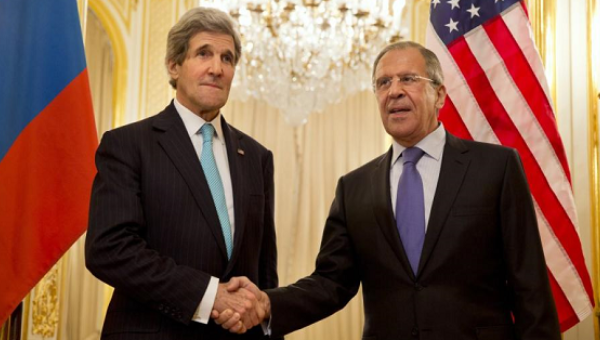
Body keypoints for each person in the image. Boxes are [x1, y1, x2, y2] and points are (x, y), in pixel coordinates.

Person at [214, 41, 560, 339]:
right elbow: (330, 283)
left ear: (439, 94)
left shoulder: (495, 168)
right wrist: (267, 303)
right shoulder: (354, 188)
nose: (394, 90)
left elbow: (530, 287)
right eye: (383, 82)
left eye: (408, 79)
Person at [85, 7, 278, 339]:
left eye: (227, 58)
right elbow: (109, 249)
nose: (216, 68)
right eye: (203, 54)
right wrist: (207, 295)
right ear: (174, 66)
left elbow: (264, 271)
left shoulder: (257, 157)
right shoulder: (128, 144)